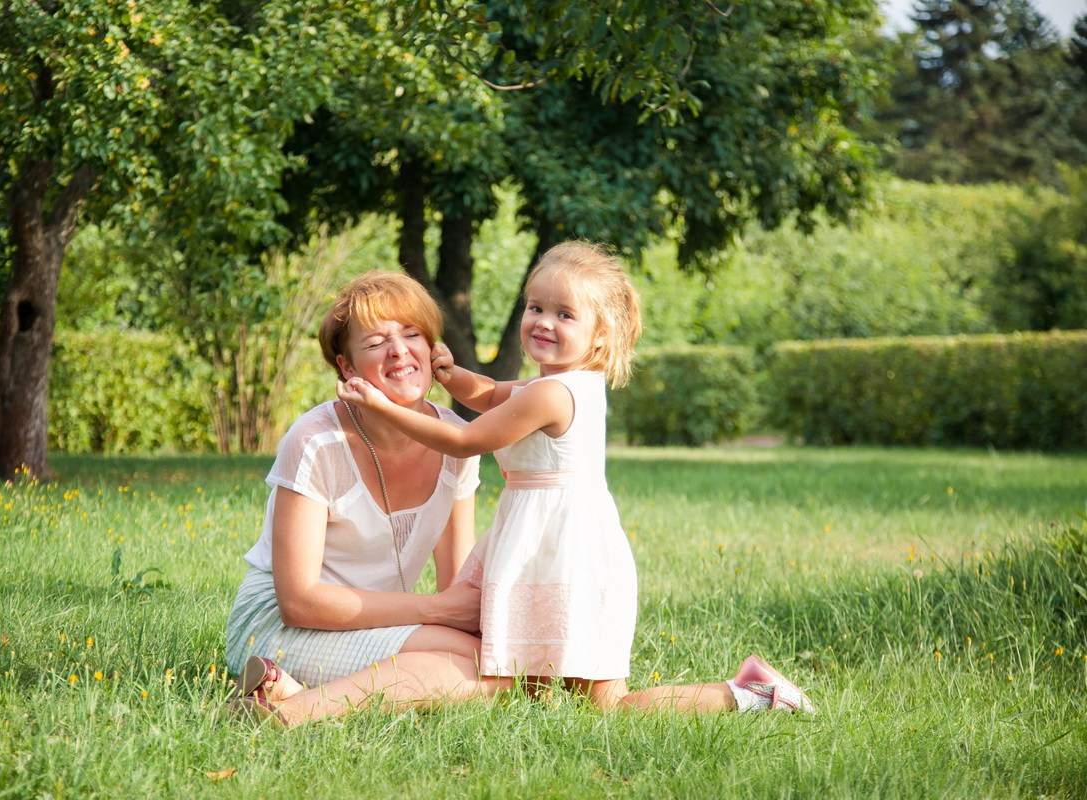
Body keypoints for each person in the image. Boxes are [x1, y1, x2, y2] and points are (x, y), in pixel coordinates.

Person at [339, 241, 814, 714]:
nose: (544, 321)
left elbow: (466, 440)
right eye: (536, 307)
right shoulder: (559, 384)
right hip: (550, 544)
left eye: (565, 315)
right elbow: (490, 395)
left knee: (609, 705)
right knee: (532, 685)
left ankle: (749, 696)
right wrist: (451, 375)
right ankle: (746, 692)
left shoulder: (550, 394)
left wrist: (383, 406)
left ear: (600, 336)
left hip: (563, 554)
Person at [226, 270, 513, 725]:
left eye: (412, 334)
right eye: (377, 341)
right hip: (279, 627)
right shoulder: (316, 441)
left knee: (496, 660)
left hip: (373, 622)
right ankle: (292, 714)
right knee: (491, 671)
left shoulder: (457, 442)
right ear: (347, 367)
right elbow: (298, 600)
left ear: (432, 348)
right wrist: (437, 614)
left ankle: (284, 690)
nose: (399, 350)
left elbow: (453, 585)